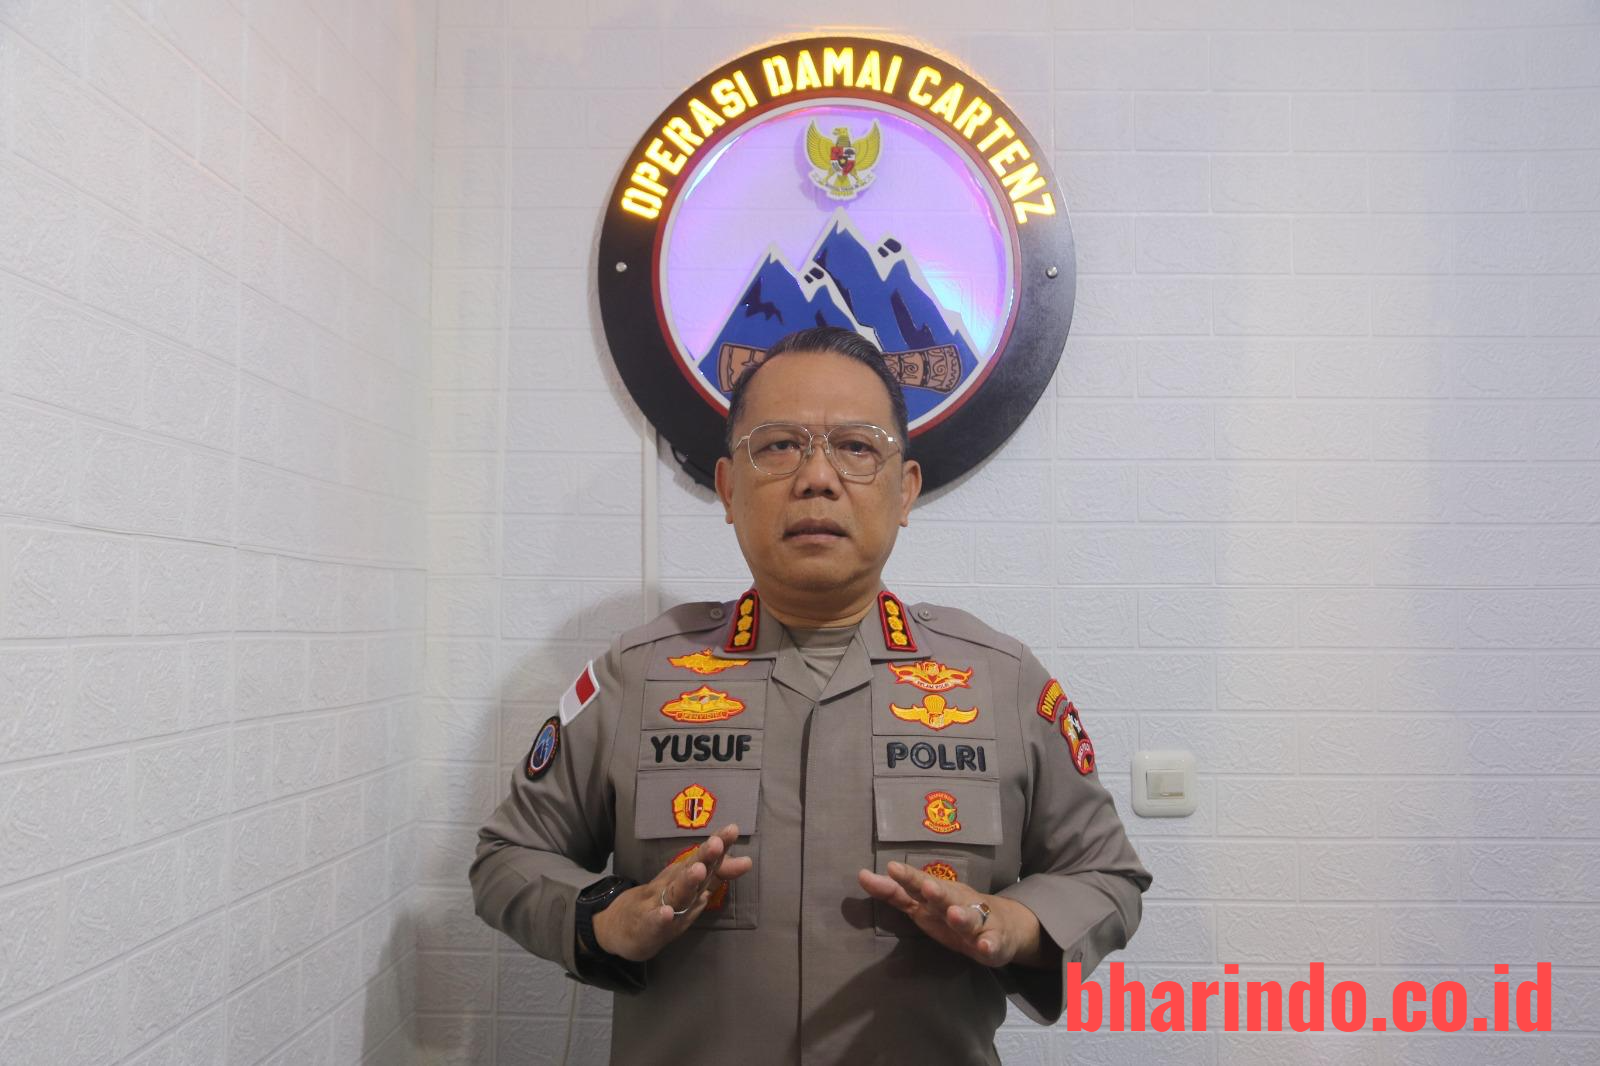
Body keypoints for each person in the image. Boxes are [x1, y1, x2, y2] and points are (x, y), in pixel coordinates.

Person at [469, 326, 1151, 1064]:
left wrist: (1014, 926)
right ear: (729, 489)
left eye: (856, 447)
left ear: (904, 490)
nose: (817, 477)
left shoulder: (1000, 679)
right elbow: (509, 856)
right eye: (779, 446)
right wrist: (605, 921)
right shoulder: (637, 675)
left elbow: (1105, 873)